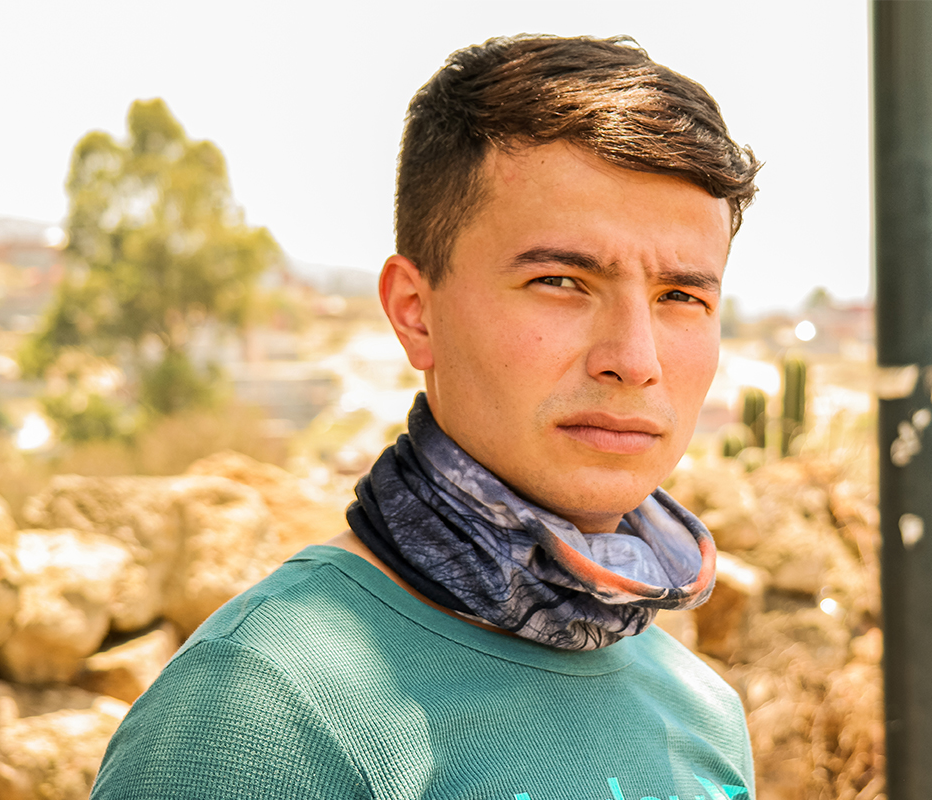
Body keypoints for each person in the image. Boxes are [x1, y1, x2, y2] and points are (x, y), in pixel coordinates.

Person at [92, 34, 761, 800]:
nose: (634, 359)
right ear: (415, 313)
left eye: (681, 297)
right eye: (561, 281)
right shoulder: (260, 711)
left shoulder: (703, 712)